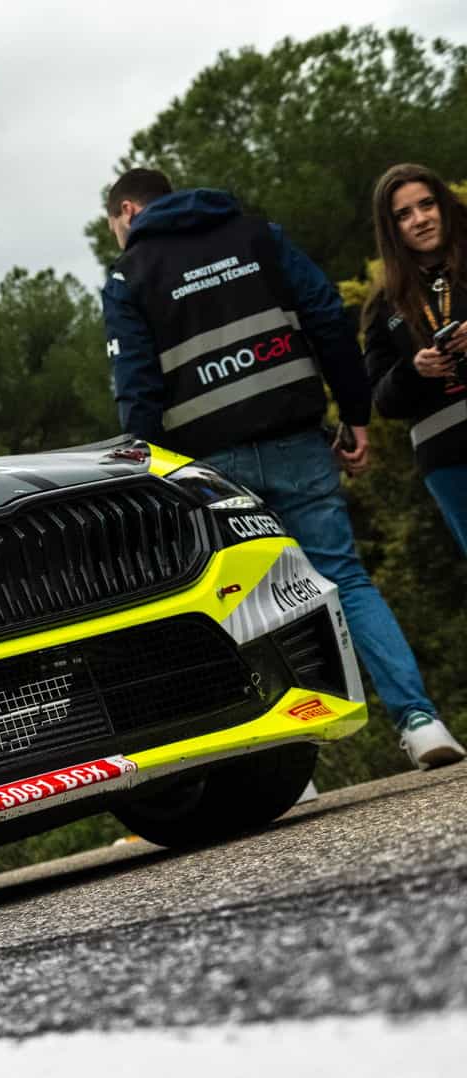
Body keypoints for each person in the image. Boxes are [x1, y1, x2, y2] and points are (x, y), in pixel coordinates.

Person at [100, 167, 465, 770]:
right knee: (344, 577)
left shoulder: (128, 274)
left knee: (245, 604)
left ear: (129, 212)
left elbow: (136, 387)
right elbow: (326, 318)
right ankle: (422, 723)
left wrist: (148, 472)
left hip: (209, 467)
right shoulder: (257, 235)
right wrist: (355, 417)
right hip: (297, 441)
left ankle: (288, 768)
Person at [362, 162, 467, 554]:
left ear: (443, 204)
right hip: (447, 460)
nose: (420, 220)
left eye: (427, 205)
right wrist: (414, 370)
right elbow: (382, 400)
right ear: (391, 229)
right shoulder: (383, 304)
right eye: (403, 215)